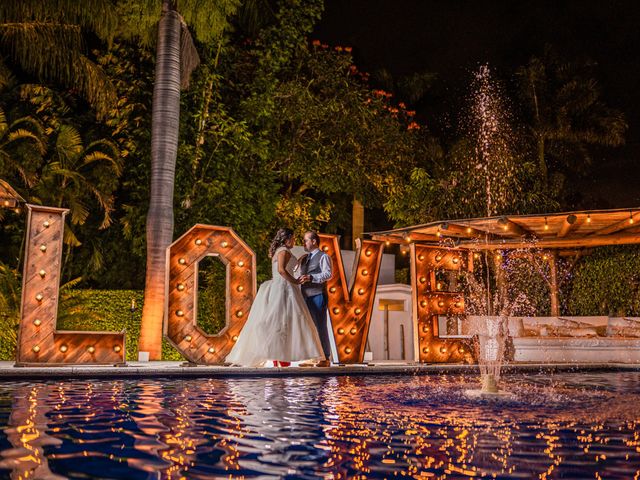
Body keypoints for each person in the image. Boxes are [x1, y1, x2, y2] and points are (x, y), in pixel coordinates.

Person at [225, 228, 325, 367]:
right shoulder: (283, 251)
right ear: (287, 239)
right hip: (284, 288)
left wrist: (299, 261)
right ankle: (280, 358)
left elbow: (288, 268)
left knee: (282, 322)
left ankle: (279, 358)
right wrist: (295, 281)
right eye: (293, 238)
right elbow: (281, 270)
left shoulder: (282, 251)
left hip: (283, 287)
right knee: (282, 322)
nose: (294, 241)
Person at [298, 230, 333, 367]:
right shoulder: (305, 258)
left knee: (320, 326)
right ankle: (312, 357)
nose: (304, 243)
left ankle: (325, 358)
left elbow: (328, 274)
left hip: (318, 295)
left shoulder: (323, 256)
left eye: (306, 240)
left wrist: (311, 277)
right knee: (308, 327)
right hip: (305, 296)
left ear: (313, 241)